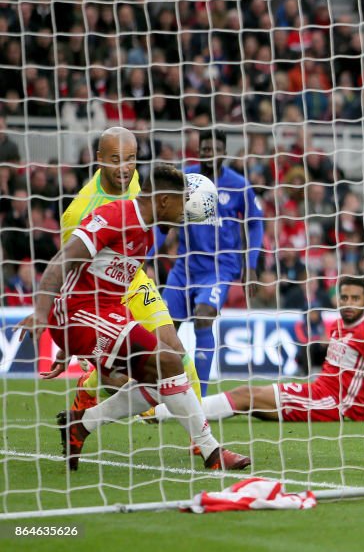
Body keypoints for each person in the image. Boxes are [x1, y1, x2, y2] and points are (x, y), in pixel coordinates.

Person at [16, 165, 250, 471]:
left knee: (161, 378)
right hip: (79, 314)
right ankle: (212, 452)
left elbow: (111, 289)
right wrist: (43, 313)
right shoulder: (116, 215)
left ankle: (82, 424)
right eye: (182, 202)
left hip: (102, 315)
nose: (185, 213)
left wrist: (71, 343)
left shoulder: (146, 236)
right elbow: (64, 259)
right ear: (164, 201)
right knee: (170, 362)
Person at [60, 127, 201, 412]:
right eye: (115, 160)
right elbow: (69, 273)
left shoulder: (135, 178)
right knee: (122, 376)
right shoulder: (78, 212)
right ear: (99, 159)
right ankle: (91, 386)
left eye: (130, 159)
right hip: (101, 297)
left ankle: (201, 443)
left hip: (135, 281)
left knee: (177, 350)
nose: (124, 168)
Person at [148, 277, 364, 425]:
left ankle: (162, 412)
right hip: (319, 394)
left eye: (355, 299)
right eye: (344, 298)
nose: (349, 304)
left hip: (334, 405)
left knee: (245, 396)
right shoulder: (340, 326)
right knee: (247, 401)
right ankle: (165, 412)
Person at [160, 129, 264, 395]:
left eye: (214, 148)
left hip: (219, 268)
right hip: (184, 267)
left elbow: (255, 225)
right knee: (165, 331)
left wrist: (250, 265)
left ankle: (200, 397)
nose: (209, 153)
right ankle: (158, 396)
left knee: (204, 318)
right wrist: (149, 255)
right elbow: (162, 217)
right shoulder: (186, 178)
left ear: (224, 152)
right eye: (205, 148)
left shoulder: (239, 185)